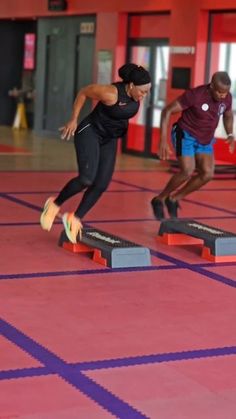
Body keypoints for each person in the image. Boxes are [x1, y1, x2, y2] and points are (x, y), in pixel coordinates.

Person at [40, 63, 151, 243]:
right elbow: (84, 92)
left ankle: (73, 218)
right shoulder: (110, 93)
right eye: (143, 91)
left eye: (147, 91)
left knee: (101, 184)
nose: (144, 95)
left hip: (109, 138)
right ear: (130, 86)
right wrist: (74, 119)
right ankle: (54, 205)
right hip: (90, 132)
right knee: (86, 179)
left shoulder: (135, 95)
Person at [151, 71, 235, 220]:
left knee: (207, 174)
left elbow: (228, 115)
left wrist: (230, 134)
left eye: (226, 92)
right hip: (186, 134)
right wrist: (162, 140)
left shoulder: (227, 98)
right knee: (187, 171)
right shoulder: (195, 95)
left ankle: (174, 198)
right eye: (220, 92)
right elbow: (167, 110)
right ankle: (159, 199)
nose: (223, 95)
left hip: (205, 139)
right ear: (211, 86)